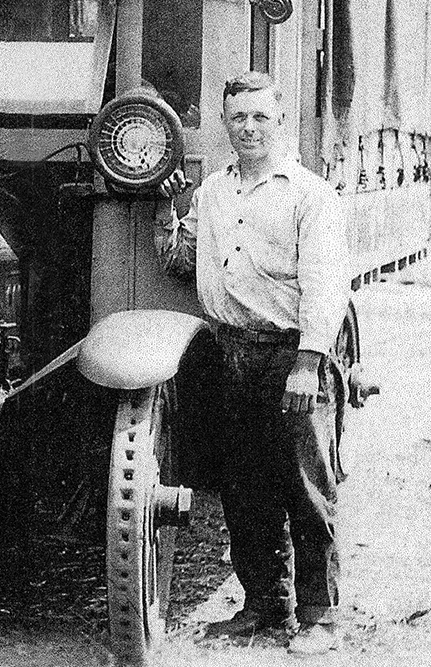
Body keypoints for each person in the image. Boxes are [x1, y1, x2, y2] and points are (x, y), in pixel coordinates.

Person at [156, 71, 352, 656]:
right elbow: (179, 262)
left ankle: (321, 616)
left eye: (260, 117)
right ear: (226, 123)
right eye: (238, 118)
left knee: (306, 486)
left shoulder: (310, 197)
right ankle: (265, 606)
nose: (249, 128)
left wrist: (308, 363)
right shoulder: (212, 193)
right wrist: (171, 206)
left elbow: (325, 288)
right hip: (229, 353)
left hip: (290, 354)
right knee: (244, 487)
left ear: (281, 121)